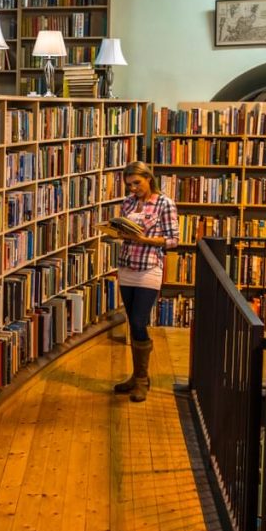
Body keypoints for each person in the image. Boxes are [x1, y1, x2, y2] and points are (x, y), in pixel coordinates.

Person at [113, 161, 179, 402]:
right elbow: (125, 231)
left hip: (149, 267)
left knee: (140, 321)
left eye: (137, 183)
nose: (133, 189)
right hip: (127, 265)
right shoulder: (128, 203)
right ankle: (136, 376)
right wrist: (118, 232)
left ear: (148, 178)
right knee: (132, 322)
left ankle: (143, 380)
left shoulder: (164, 203)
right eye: (129, 185)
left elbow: (173, 240)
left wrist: (143, 239)